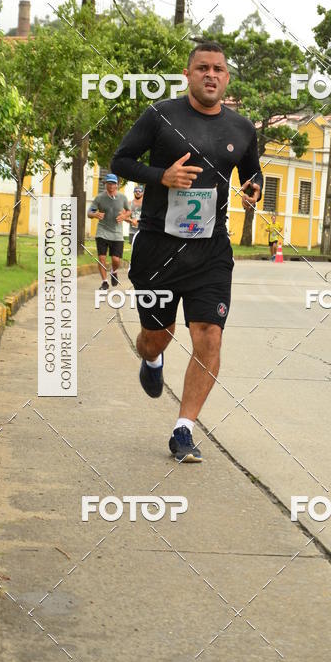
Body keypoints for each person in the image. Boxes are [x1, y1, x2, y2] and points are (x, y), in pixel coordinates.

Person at [111, 40, 263, 463]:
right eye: (202, 68)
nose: (210, 74)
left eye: (218, 68)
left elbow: (253, 172)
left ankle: (183, 430)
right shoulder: (161, 115)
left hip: (211, 250)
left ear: (227, 77)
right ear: (188, 75)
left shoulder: (242, 129)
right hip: (159, 247)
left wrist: (255, 188)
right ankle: (152, 360)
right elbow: (121, 160)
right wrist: (163, 176)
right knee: (157, 338)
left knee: (209, 337)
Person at [87, 174, 131, 289]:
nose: (111, 186)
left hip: (117, 233)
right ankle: (104, 282)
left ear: (117, 185)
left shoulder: (122, 198)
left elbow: (129, 211)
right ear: (105, 184)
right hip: (102, 231)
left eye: (113, 183)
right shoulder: (99, 198)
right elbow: (89, 213)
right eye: (109, 183)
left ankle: (113, 271)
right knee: (101, 257)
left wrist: (124, 216)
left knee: (116, 260)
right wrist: (95, 214)